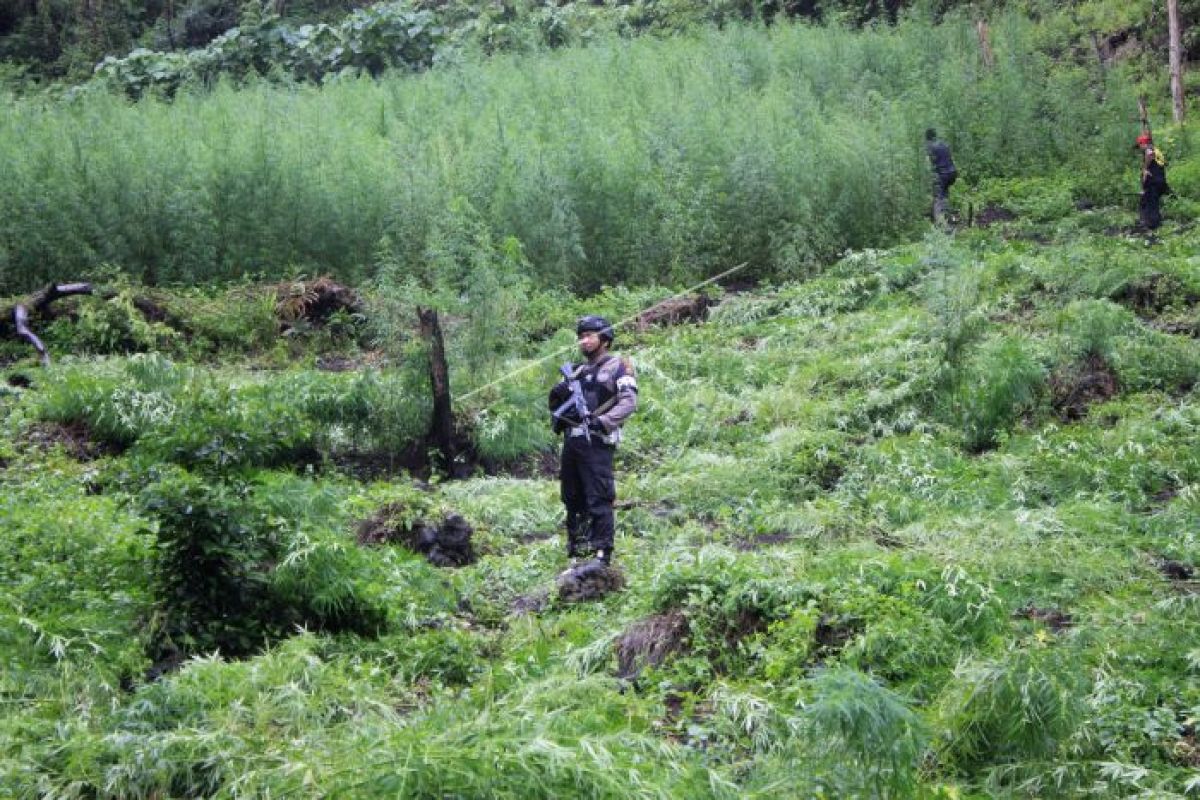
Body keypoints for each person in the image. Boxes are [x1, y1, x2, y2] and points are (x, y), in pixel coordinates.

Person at [548, 316, 638, 565]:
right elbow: (557, 408)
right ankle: (578, 550)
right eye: (581, 336)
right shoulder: (576, 371)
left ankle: (602, 553)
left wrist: (604, 421)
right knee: (571, 496)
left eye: (590, 335)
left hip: (597, 441)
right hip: (572, 442)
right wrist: (558, 396)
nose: (584, 340)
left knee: (599, 496)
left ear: (605, 339)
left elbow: (629, 401)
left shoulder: (618, 366)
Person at [1135, 132, 1170, 231]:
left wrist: (1145, 169)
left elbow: (1149, 154)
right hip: (1159, 181)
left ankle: (1152, 224)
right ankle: (1150, 222)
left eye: (1140, 145)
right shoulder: (1157, 150)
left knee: (1151, 203)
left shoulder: (1149, 150)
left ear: (1143, 144)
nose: (1140, 148)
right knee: (1149, 202)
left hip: (1154, 183)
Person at [925, 128, 957, 224]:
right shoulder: (944, 144)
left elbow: (927, 164)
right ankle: (947, 217)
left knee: (938, 197)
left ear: (927, 138)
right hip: (952, 173)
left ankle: (940, 224)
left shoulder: (929, 146)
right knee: (945, 195)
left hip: (942, 174)